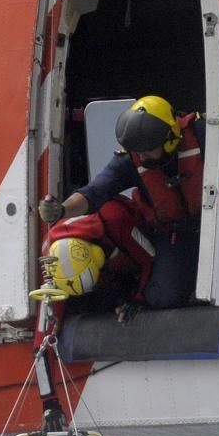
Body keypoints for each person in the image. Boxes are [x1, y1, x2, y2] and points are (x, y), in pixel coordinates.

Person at [39, 95, 204, 309]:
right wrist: (62, 209)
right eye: (138, 152)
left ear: (170, 137)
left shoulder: (203, 134)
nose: (142, 157)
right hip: (174, 233)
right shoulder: (131, 159)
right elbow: (95, 191)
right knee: (164, 298)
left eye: (147, 151)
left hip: (218, 223)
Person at [44, 196, 155, 317]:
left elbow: (149, 259)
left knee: (160, 294)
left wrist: (138, 298)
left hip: (148, 238)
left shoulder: (115, 218)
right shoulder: (50, 251)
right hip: (116, 269)